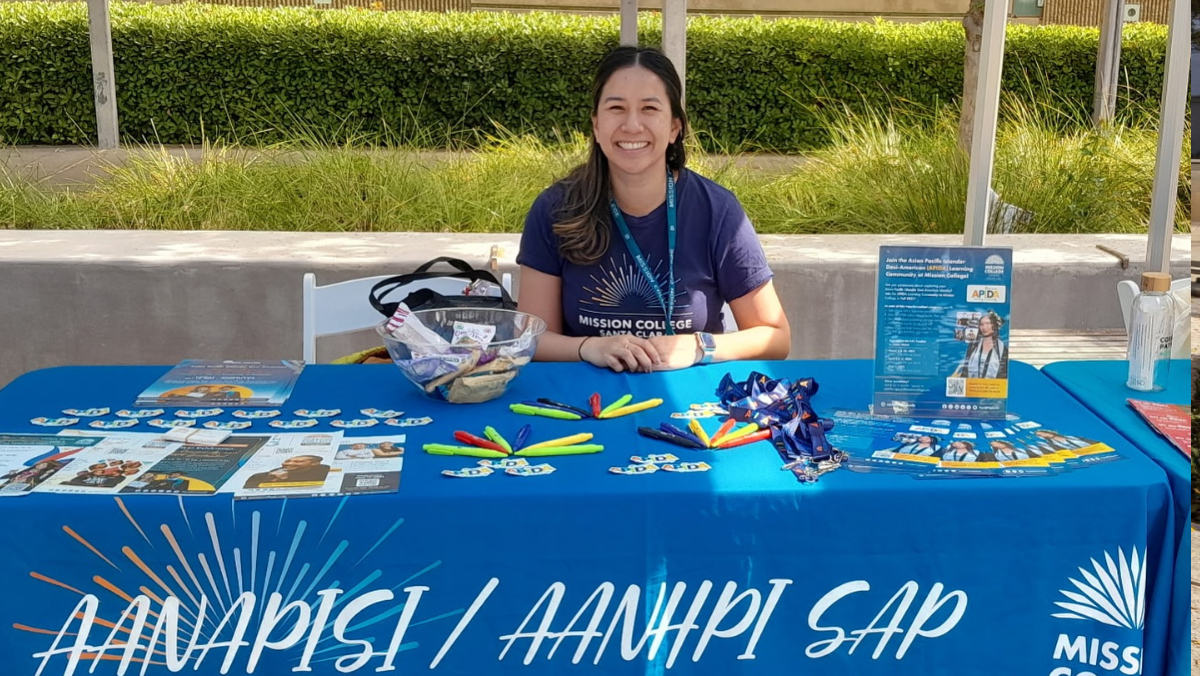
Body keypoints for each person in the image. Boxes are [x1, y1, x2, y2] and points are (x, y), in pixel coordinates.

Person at [516, 46, 790, 373]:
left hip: (691, 396)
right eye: (616, 108)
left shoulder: (717, 211)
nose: (632, 125)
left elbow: (775, 336)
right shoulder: (555, 209)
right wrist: (588, 348)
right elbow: (531, 339)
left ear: (674, 127)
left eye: (649, 108)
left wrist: (698, 346)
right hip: (585, 397)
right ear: (596, 125)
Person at [954, 311, 1007, 379]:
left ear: (994, 326)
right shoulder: (974, 345)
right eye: (981, 324)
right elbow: (965, 369)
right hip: (973, 384)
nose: (984, 327)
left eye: (988, 323)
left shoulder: (1002, 349)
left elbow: (1003, 373)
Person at [243, 455, 330, 488]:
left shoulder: (325, 471)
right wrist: (272, 479)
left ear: (315, 463)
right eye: (287, 461)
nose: (290, 464)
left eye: (298, 462)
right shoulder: (261, 476)